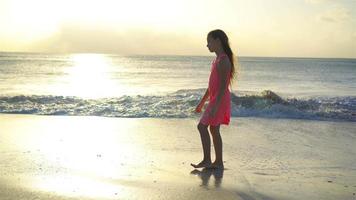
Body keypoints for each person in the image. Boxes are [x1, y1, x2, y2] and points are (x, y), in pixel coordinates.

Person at [191, 29, 236, 169]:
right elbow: (211, 86)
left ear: (218, 41)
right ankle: (218, 162)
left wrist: (215, 105)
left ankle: (207, 160)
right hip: (216, 99)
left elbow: (223, 86)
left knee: (202, 126)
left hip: (220, 100)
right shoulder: (216, 60)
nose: (207, 45)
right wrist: (202, 102)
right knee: (214, 129)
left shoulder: (224, 60)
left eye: (209, 41)